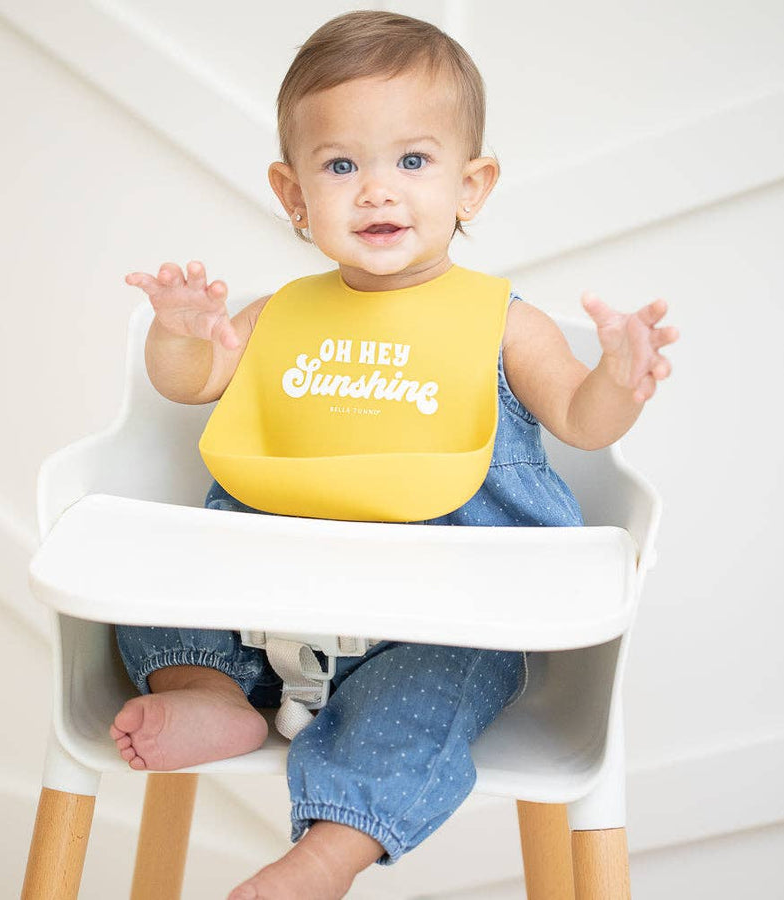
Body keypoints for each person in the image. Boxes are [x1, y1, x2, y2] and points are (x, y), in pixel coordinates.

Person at [109, 11, 678, 899]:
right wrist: (180, 333)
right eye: (341, 166)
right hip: (272, 591)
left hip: (445, 616)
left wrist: (617, 377)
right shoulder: (278, 313)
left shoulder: (504, 322)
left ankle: (322, 858)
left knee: (430, 700)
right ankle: (213, 695)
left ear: (471, 184)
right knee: (144, 593)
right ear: (293, 194)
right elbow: (192, 381)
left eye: (412, 162)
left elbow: (578, 416)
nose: (377, 191)